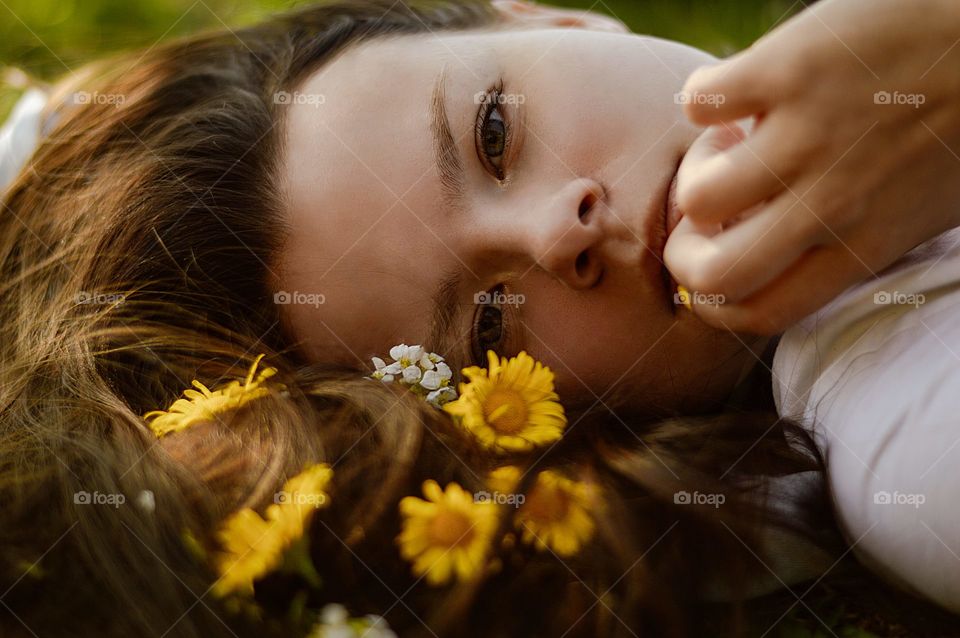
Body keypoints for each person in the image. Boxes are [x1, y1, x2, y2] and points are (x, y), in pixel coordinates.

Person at [0, 0, 944, 636]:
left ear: (546, 14)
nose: (554, 233)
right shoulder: (904, 438)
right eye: (491, 327)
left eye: (493, 132)